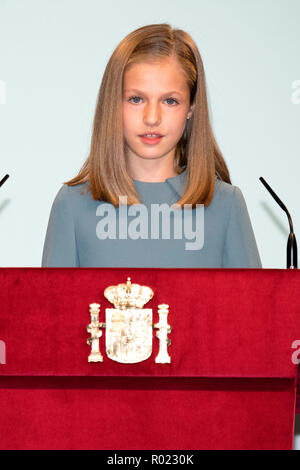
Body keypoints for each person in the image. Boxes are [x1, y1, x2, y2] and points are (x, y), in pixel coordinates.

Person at [42, 23, 262, 269]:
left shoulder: (226, 205)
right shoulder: (72, 205)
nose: (152, 118)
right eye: (136, 99)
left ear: (191, 108)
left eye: (170, 101)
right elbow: (53, 307)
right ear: (113, 103)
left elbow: (251, 307)